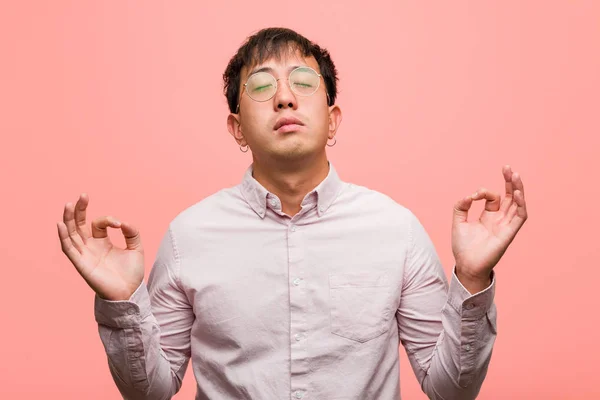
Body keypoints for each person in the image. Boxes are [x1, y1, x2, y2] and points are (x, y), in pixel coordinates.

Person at [57, 27, 528, 400]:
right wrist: (123, 304)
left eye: (303, 82)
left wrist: (471, 276)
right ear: (236, 128)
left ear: (333, 118)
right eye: (261, 85)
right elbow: (152, 392)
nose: (284, 97)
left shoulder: (395, 230)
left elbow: (450, 391)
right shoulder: (189, 236)